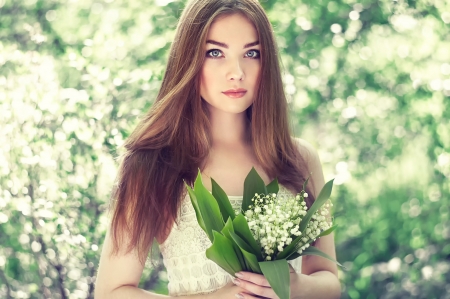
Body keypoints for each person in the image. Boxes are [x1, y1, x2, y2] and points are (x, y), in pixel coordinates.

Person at [95, 0, 340, 298]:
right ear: (188, 59)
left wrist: (296, 286)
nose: (236, 72)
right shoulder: (152, 163)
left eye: (252, 53)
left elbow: (329, 283)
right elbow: (111, 292)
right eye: (215, 52)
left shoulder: (298, 158)